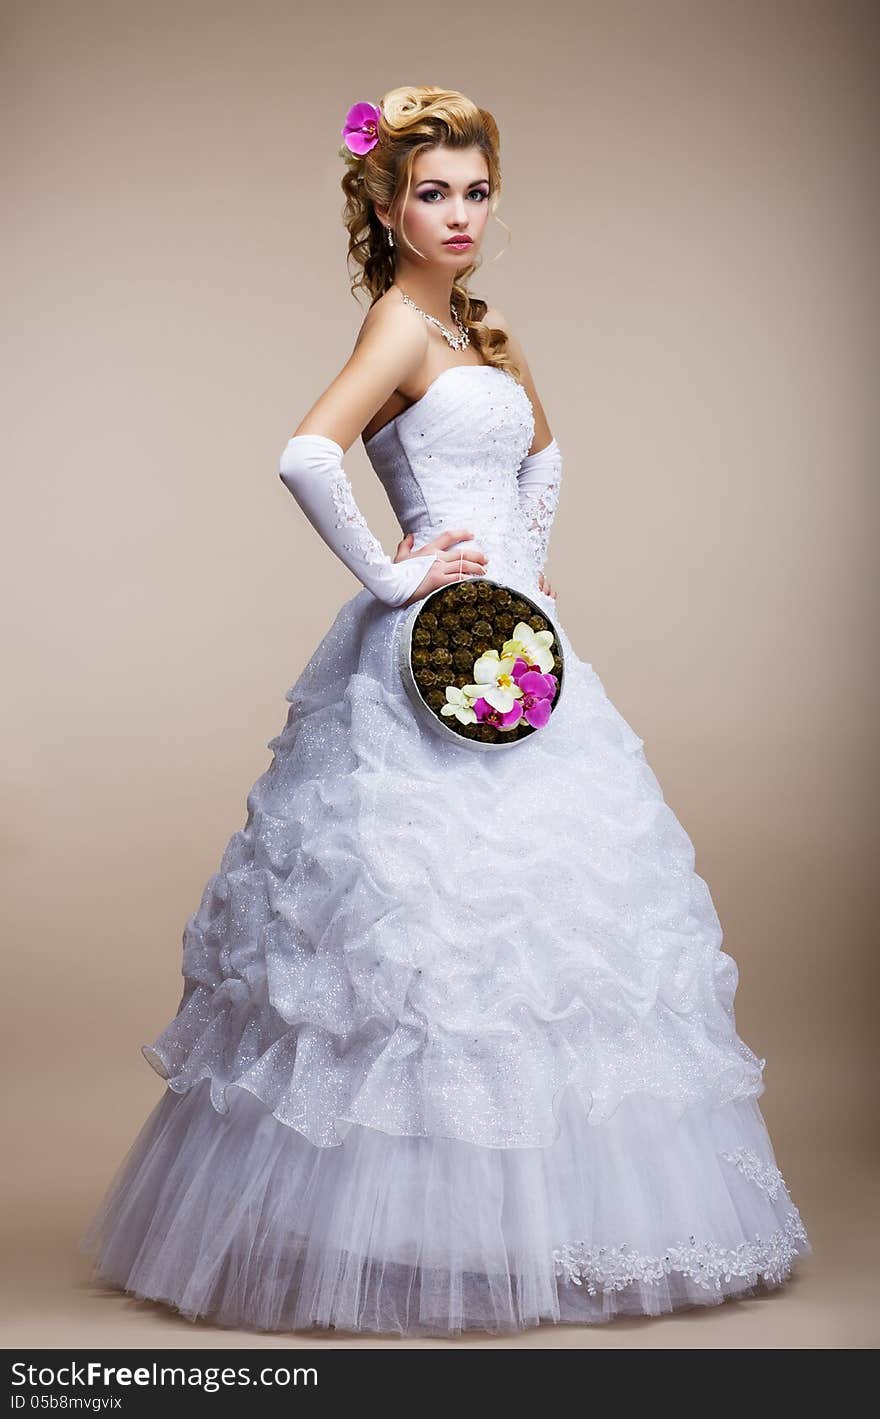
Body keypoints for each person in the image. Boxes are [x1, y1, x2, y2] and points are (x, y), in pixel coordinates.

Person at [79, 85, 811, 1338]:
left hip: (515, 645)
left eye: (477, 191)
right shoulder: (400, 328)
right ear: (386, 203)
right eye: (434, 192)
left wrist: (522, 567)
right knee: (418, 940)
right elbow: (308, 452)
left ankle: (540, 1225)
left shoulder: (485, 327)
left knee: (548, 941)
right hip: (424, 656)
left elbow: (547, 455)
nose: (460, 214)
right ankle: (394, 1233)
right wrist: (397, 570)